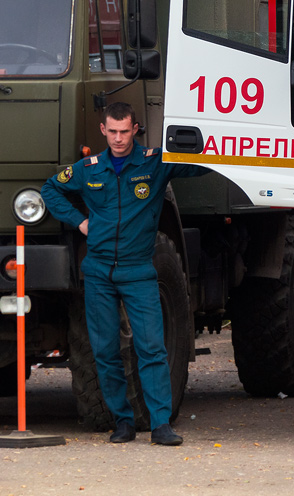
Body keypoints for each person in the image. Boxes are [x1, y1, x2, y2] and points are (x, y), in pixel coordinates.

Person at [41, 102, 208, 445]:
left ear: (135, 130)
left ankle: (161, 424)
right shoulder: (89, 169)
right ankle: (123, 422)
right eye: (112, 131)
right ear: (103, 130)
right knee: (104, 351)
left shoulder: (153, 162)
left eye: (124, 131)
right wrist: (80, 222)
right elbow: (50, 190)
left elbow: (198, 167)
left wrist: (220, 146)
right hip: (99, 272)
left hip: (137, 272)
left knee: (151, 348)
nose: (118, 139)